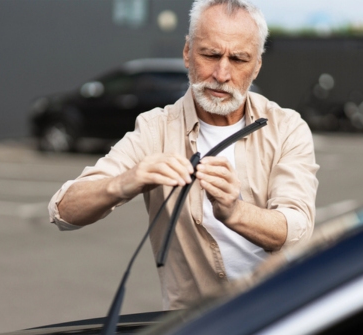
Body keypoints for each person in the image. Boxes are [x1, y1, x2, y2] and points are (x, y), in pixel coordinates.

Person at [49, 0, 319, 310]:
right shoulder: (155, 129)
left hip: (278, 313)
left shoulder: (286, 127)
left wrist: (234, 211)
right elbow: (63, 211)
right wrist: (125, 182)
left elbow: (297, 231)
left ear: (257, 65)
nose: (222, 73)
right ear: (187, 53)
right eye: (210, 54)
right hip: (193, 328)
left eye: (239, 59)